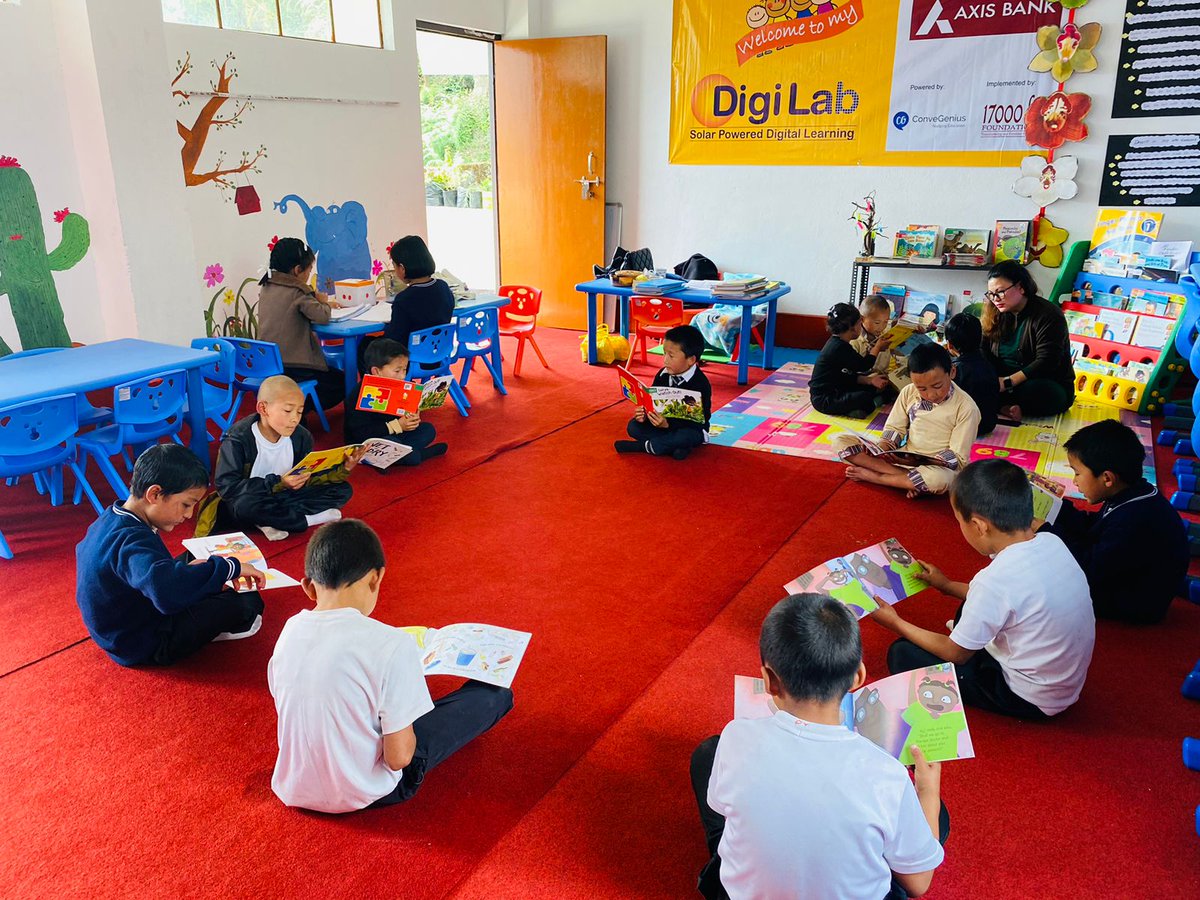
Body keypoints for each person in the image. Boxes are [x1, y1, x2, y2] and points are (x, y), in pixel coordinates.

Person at [691, 592, 947, 900]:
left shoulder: (736, 736)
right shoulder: (886, 775)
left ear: (769, 681)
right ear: (859, 677)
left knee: (709, 754)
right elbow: (919, 884)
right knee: (935, 814)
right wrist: (927, 793)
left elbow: (721, 806)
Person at [268, 519, 513, 813]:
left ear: (308, 587)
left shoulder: (290, 630)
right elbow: (399, 758)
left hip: (295, 786)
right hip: (368, 791)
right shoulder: (392, 644)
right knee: (494, 695)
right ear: (376, 577)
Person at [870, 458, 1095, 719]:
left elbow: (956, 654)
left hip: (1028, 698)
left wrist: (895, 622)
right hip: (1060, 683)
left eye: (959, 522)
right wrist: (945, 586)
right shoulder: (1051, 541)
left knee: (901, 654)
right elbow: (1010, 600)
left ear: (978, 526)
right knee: (970, 606)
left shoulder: (994, 580)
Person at [75, 444, 266, 667]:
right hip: (145, 643)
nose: (188, 515)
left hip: (124, 622)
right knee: (246, 602)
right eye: (186, 504)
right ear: (154, 494)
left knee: (193, 559)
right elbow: (166, 594)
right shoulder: (132, 543)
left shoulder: (113, 518)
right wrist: (228, 568)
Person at [1041, 419, 1187, 624]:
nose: (1074, 481)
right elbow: (1096, 526)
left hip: (1133, 603)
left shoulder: (1134, 520)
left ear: (1107, 478)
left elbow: (1088, 569)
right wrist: (1058, 508)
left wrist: (1048, 533)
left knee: (1040, 579)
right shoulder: (1131, 493)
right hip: (1119, 569)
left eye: (1077, 473)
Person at [214, 375, 361, 542]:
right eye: (287, 410)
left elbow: (308, 475)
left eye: (299, 411)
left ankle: (270, 520)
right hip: (254, 496)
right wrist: (279, 482)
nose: (295, 419)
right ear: (263, 408)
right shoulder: (238, 439)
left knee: (343, 489)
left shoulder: (301, 436)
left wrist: (344, 468)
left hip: (286, 494)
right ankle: (305, 520)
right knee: (243, 506)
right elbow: (227, 487)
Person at [835, 342, 980, 498]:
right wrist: (882, 448)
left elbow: (958, 458)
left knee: (938, 480)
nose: (931, 395)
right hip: (903, 458)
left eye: (937, 386)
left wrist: (916, 463)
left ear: (951, 372)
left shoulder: (966, 407)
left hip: (937, 468)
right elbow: (894, 428)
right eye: (922, 389)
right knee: (840, 441)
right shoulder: (908, 392)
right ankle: (905, 479)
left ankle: (877, 477)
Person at [256, 236, 345, 415]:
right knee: (341, 381)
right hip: (295, 367)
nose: (309, 275)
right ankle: (298, 406)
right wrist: (324, 302)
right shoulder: (298, 291)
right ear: (298, 270)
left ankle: (289, 405)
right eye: (309, 270)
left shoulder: (267, 286)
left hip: (268, 364)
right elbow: (322, 316)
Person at [980, 260, 1075, 421]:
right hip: (1001, 380)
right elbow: (983, 349)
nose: (995, 299)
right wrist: (988, 377)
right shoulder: (995, 311)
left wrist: (1008, 383)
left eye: (1000, 292)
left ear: (1021, 287)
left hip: (1042, 381)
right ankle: (1004, 406)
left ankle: (997, 404)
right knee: (967, 377)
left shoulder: (1048, 314)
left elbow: (1047, 361)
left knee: (1037, 391)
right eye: (991, 294)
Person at [614, 324, 712, 460]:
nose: (665, 360)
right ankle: (674, 448)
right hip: (662, 425)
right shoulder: (663, 374)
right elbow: (654, 401)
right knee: (633, 426)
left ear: (691, 360)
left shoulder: (700, 384)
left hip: (688, 428)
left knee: (687, 436)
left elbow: (700, 421)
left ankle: (643, 447)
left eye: (671, 356)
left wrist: (668, 424)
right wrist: (644, 415)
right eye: (664, 353)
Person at [344, 337, 448, 466]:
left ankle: (396, 458)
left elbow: (401, 416)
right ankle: (416, 455)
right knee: (396, 446)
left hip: (395, 435)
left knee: (428, 430)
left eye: (405, 369)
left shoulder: (400, 386)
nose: (403, 376)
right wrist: (397, 425)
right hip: (369, 441)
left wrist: (411, 417)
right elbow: (361, 433)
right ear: (376, 371)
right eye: (397, 371)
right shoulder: (361, 394)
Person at [810, 302, 891, 416]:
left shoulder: (839, 343)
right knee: (864, 396)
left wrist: (869, 380)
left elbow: (845, 374)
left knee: (869, 387)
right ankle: (868, 406)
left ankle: (863, 405)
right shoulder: (839, 347)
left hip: (837, 387)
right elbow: (864, 365)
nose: (860, 327)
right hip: (825, 400)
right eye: (859, 323)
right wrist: (877, 347)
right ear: (852, 328)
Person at [383, 235, 456, 353]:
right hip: (439, 354)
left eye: (395, 266)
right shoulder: (443, 287)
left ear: (402, 268)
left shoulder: (404, 299)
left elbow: (394, 339)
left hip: (407, 362)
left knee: (365, 347)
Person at [944, 313, 998, 436]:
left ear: (950, 345)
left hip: (965, 428)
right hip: (987, 424)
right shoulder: (989, 365)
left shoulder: (954, 370)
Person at [850, 293, 895, 376]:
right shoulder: (854, 341)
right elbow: (853, 370)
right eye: (877, 322)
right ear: (862, 319)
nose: (882, 327)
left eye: (886, 321)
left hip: (884, 375)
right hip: (863, 380)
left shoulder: (884, 334)